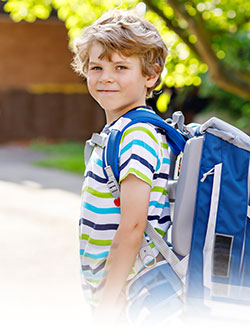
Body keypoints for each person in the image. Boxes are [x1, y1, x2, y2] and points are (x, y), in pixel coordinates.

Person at [73, 8, 170, 324]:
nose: (106, 77)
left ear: (151, 75)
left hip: (132, 296)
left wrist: (106, 304)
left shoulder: (136, 135)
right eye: (97, 67)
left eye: (120, 67)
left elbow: (132, 226)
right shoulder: (121, 133)